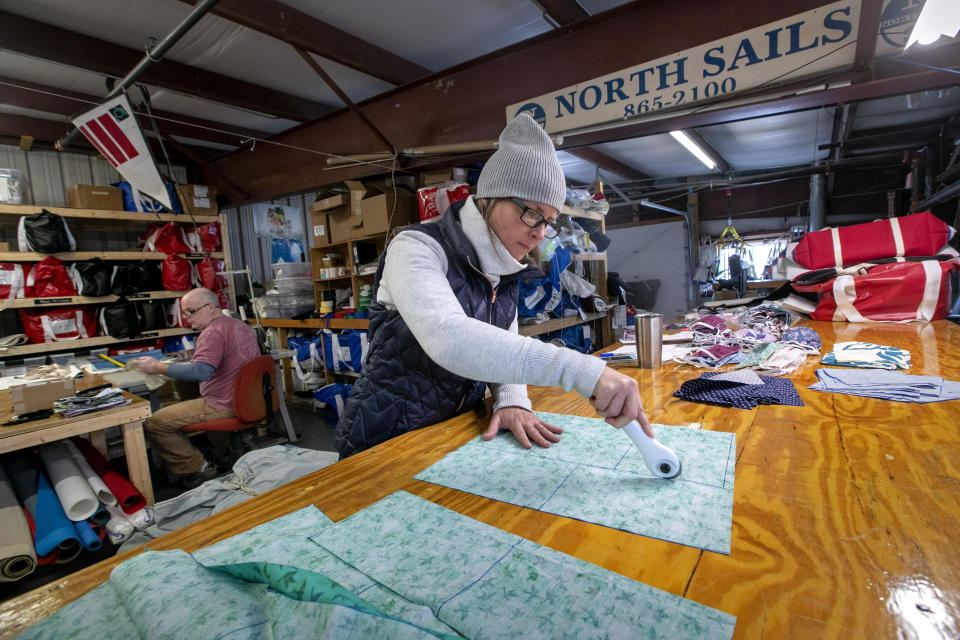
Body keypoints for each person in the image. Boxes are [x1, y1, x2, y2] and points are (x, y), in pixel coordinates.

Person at [335, 113, 654, 459]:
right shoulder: (415, 248)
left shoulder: (504, 268)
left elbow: (505, 341)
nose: (538, 233)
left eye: (548, 221)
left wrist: (512, 399)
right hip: (385, 442)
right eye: (532, 213)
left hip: (452, 437)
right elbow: (451, 339)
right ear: (490, 197)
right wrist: (584, 372)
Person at [132, 287, 261, 488]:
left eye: (191, 311)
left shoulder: (211, 333)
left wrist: (156, 366)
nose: (187, 318)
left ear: (210, 307)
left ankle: (198, 467)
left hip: (223, 405)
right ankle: (222, 453)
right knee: (190, 397)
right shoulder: (239, 325)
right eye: (184, 313)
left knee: (155, 422)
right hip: (248, 401)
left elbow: (201, 372)